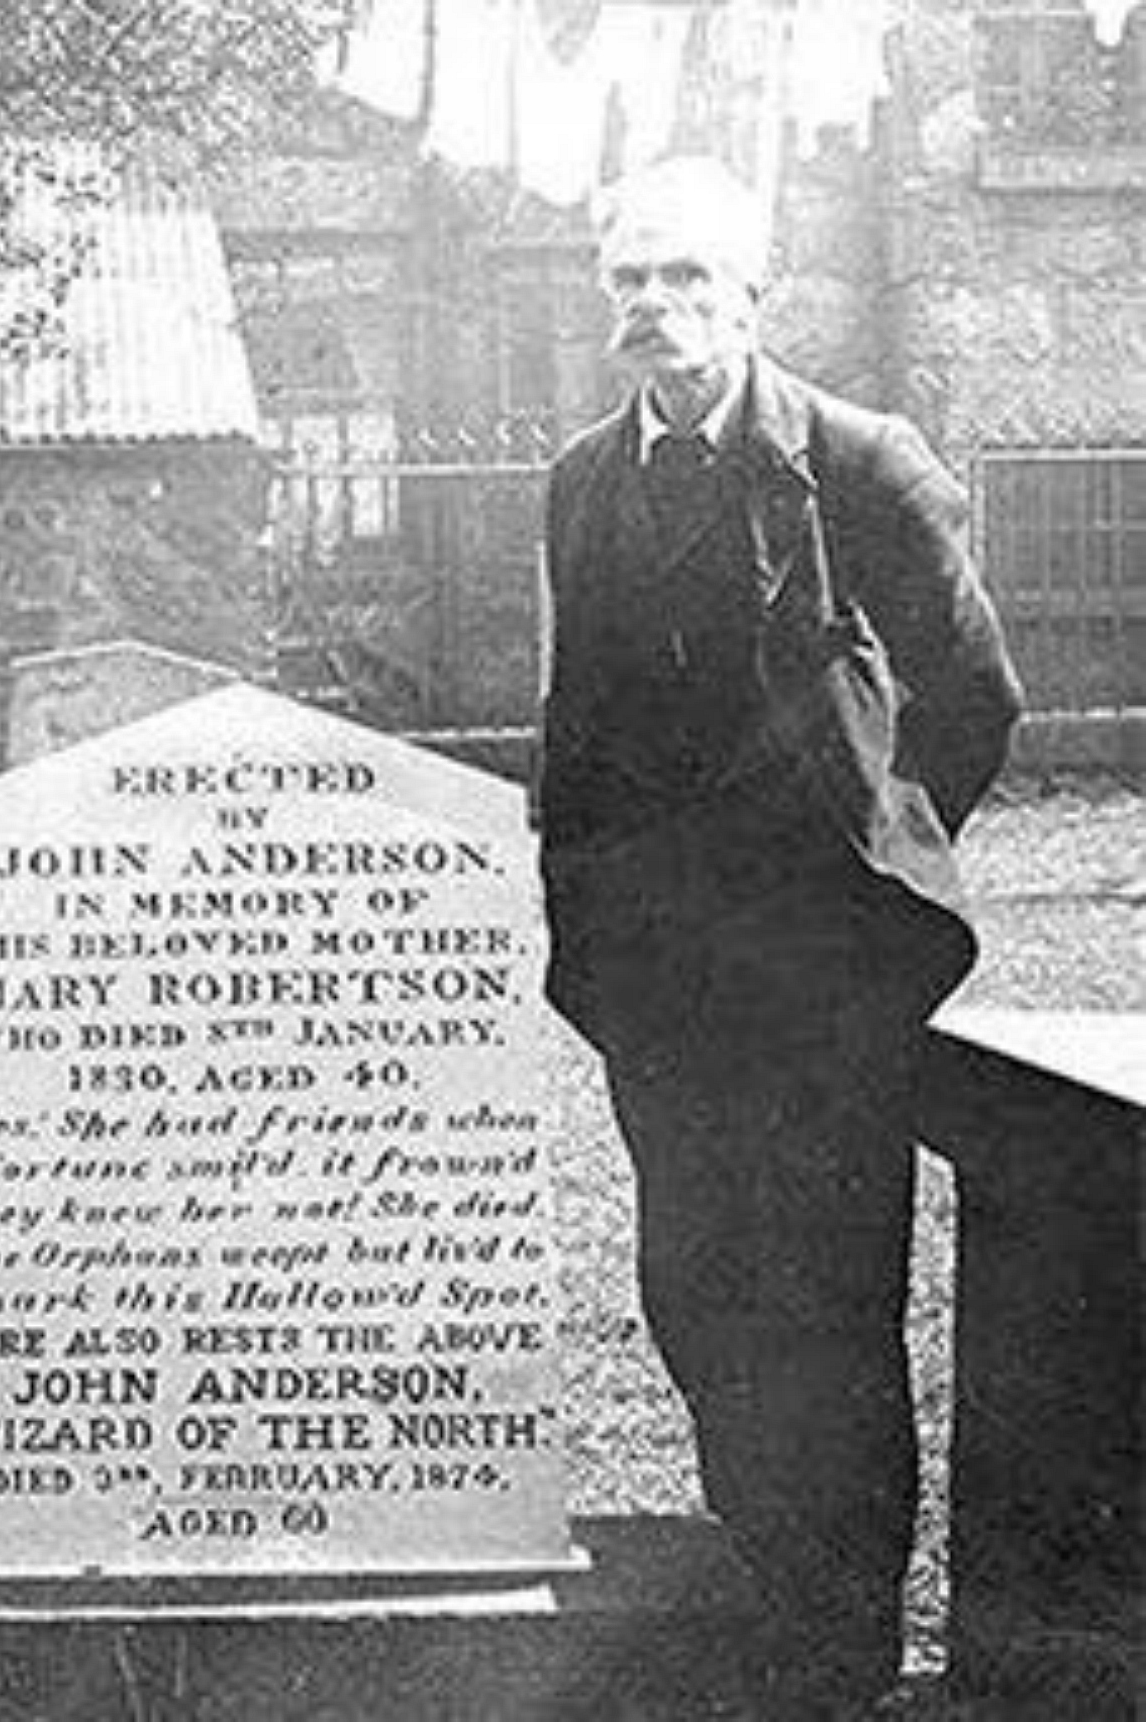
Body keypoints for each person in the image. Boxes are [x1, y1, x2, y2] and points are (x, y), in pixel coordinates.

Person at [535, 157, 1021, 1717]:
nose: (656, 310)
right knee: (696, 1281)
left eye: (689, 279)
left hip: (825, 981)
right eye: (631, 281)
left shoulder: (868, 466)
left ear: (754, 295)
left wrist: (873, 861)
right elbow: (585, 717)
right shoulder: (582, 479)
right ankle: (762, 1587)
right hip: (665, 978)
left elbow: (973, 702)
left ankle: (845, 1644)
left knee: (830, 1294)